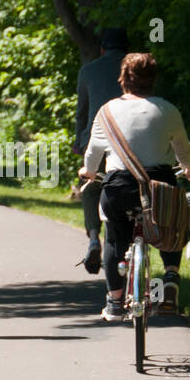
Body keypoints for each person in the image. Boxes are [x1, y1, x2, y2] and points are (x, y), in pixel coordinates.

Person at [78, 52, 190, 319]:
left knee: (113, 236)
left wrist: (87, 172)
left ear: (122, 78)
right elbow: (184, 152)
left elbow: (92, 157)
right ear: (153, 80)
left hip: (118, 188)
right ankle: (169, 281)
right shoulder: (167, 110)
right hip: (159, 187)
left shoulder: (107, 112)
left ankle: (114, 301)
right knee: (173, 223)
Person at [72, 28, 128, 274]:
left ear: (102, 49)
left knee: (91, 186)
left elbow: (81, 111)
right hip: (129, 143)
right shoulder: (134, 70)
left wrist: (79, 140)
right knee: (128, 187)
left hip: (95, 139)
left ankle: (94, 237)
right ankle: (126, 243)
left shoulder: (88, 70)